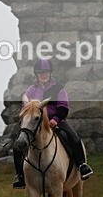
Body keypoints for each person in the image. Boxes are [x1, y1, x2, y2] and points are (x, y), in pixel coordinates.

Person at [12, 58, 93, 189]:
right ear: (36, 74)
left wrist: (55, 119)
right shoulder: (30, 91)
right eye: (40, 72)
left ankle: (82, 165)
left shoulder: (58, 89)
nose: (43, 75)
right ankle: (20, 176)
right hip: (35, 124)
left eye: (46, 72)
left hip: (56, 121)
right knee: (18, 145)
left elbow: (63, 106)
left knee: (74, 138)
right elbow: (26, 109)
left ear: (50, 73)